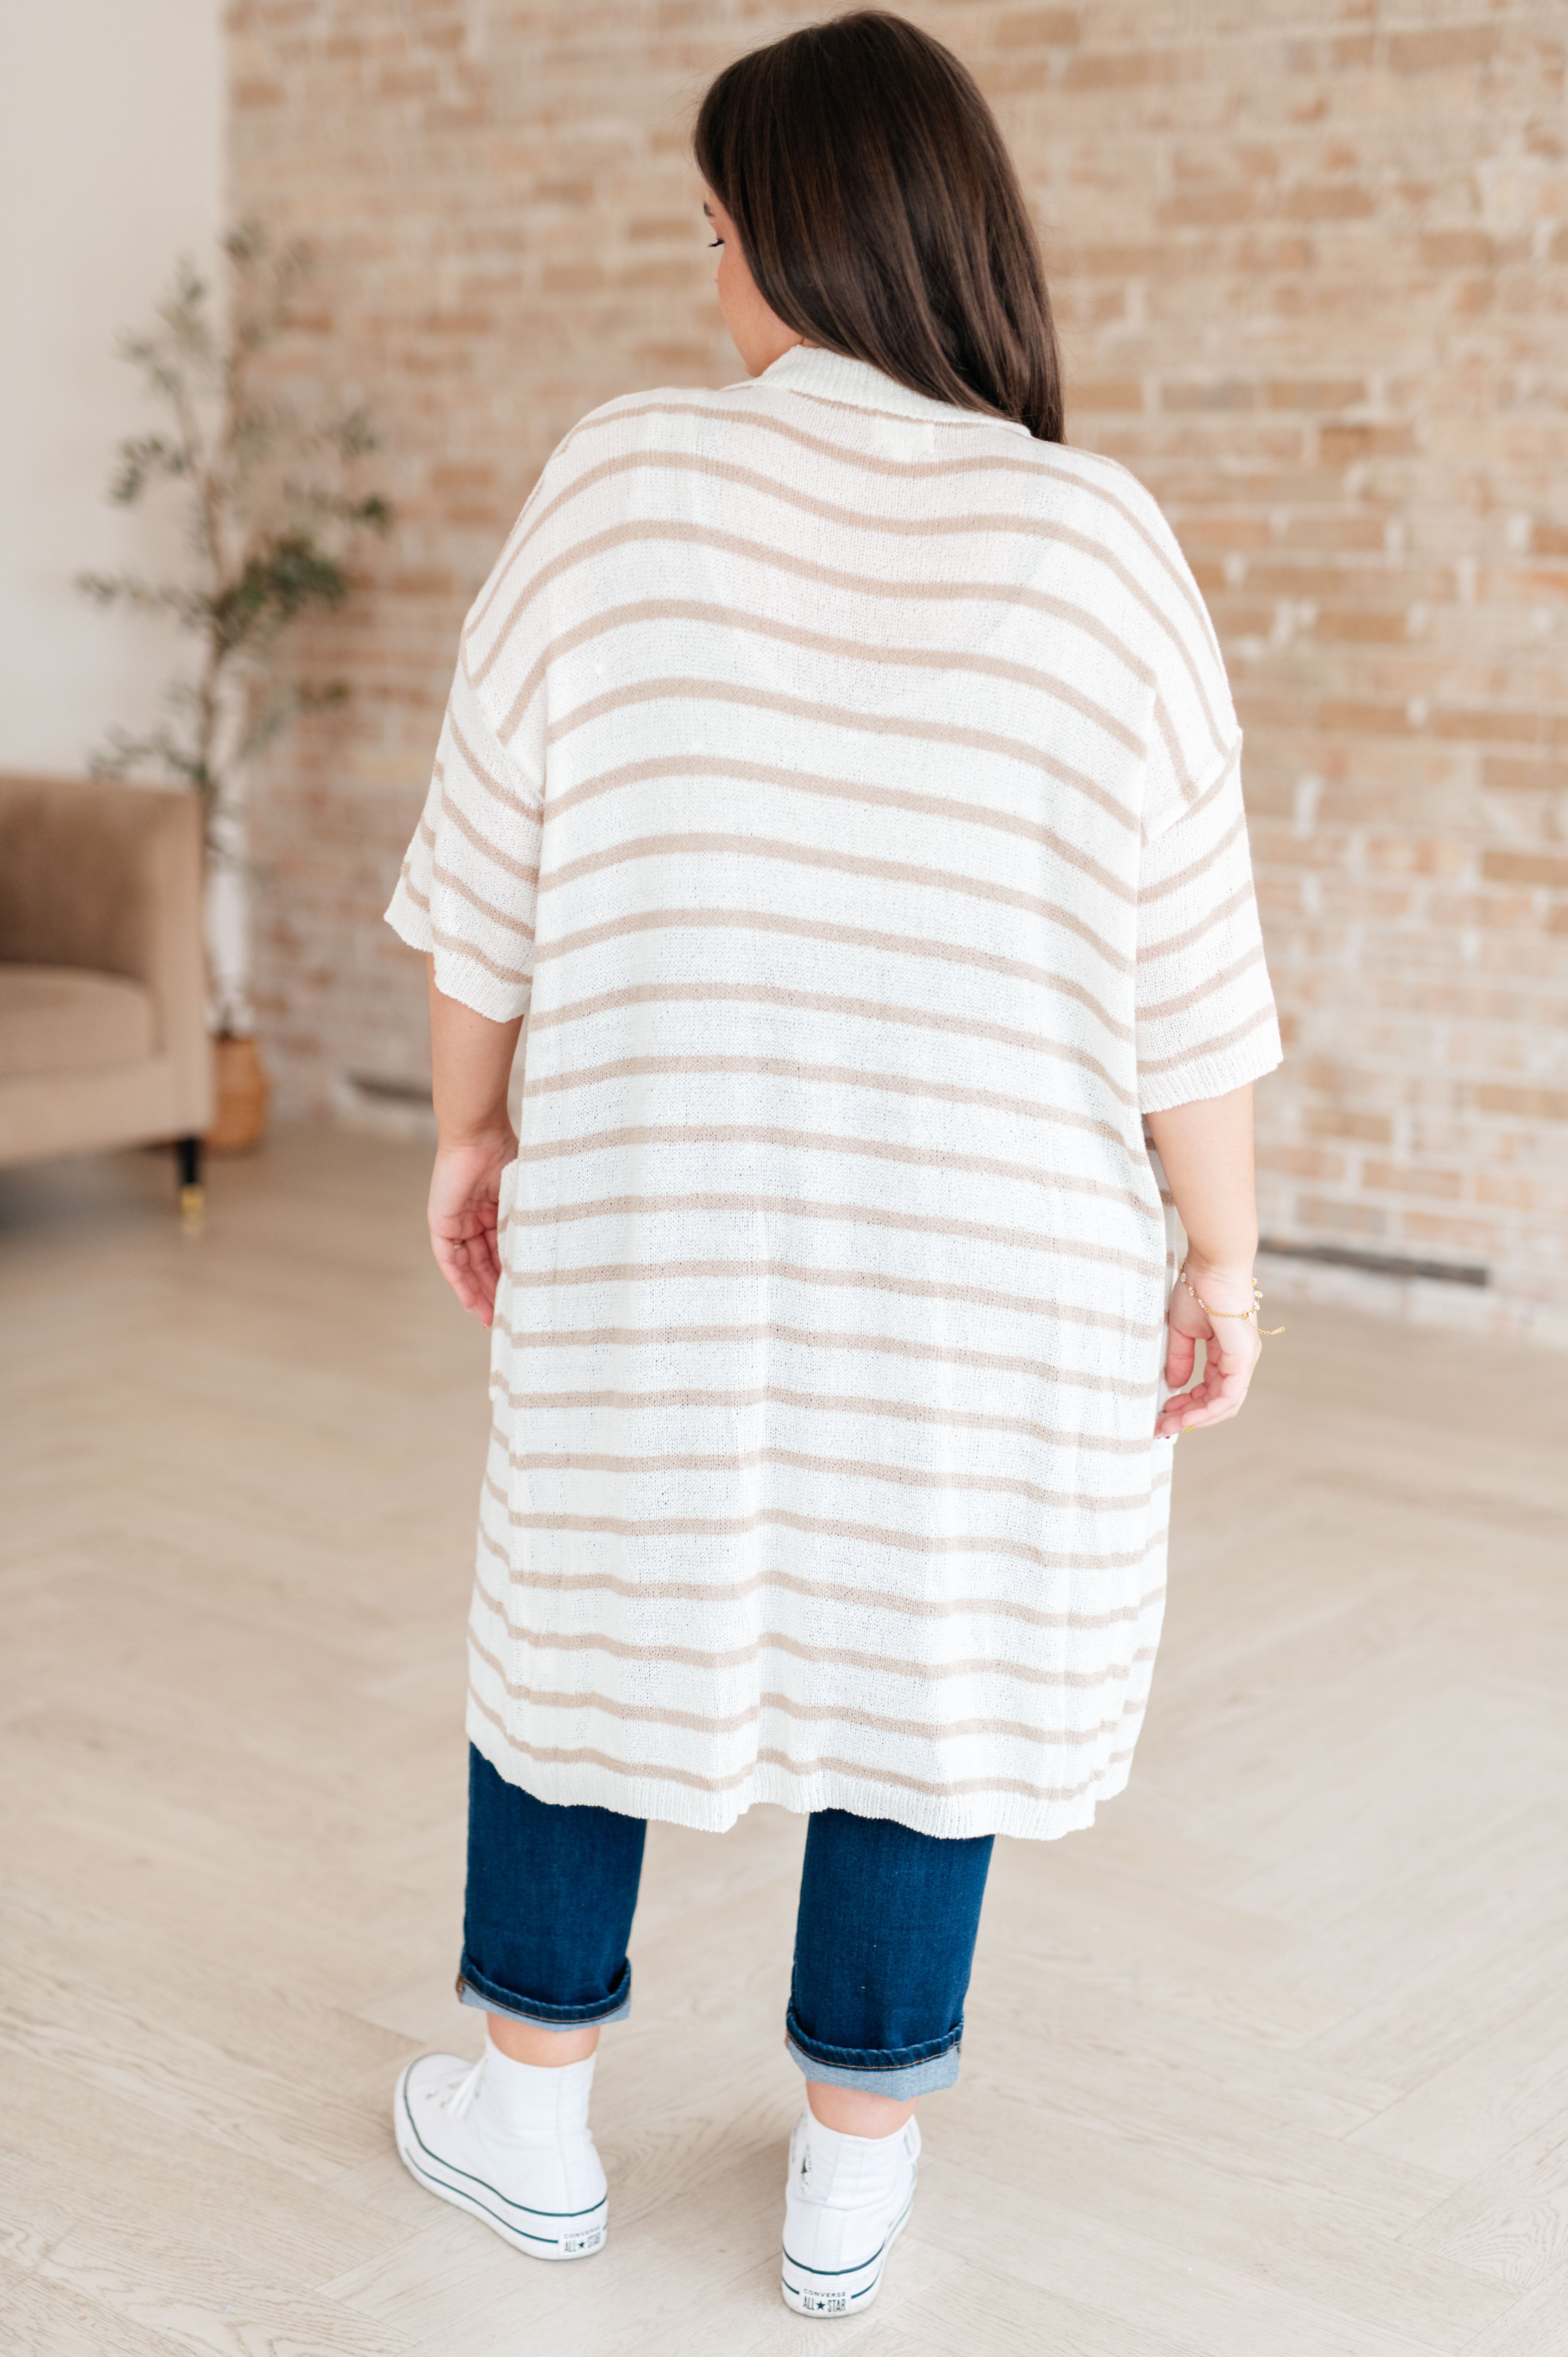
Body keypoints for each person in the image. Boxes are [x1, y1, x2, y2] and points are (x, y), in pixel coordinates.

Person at [383, 8, 1281, 2317]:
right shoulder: (1101, 541)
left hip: (670, 1207)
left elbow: (487, 867)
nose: (709, 288)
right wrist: (1226, 1259)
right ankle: (852, 2163)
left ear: (806, 235)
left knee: (581, 1608)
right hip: (1004, 1261)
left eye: (719, 234)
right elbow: (1191, 975)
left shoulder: (621, 485)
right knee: (939, 1643)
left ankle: (534, 2113)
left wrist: (474, 1124)